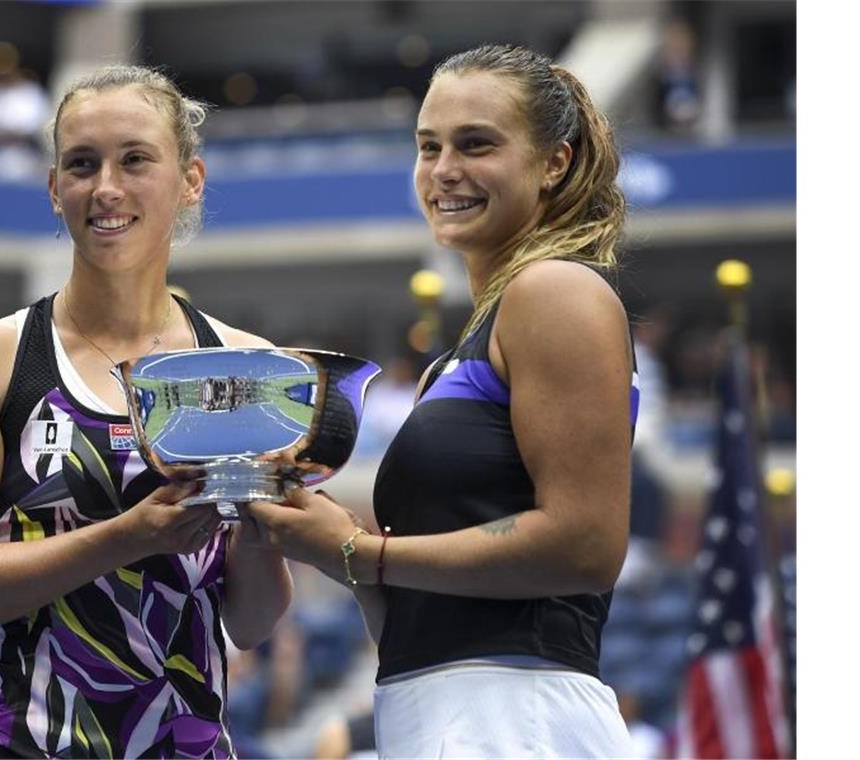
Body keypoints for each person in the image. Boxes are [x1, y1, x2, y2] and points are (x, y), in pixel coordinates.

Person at [246, 44, 639, 758]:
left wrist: (363, 551)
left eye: (476, 144)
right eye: (429, 147)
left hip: (520, 717)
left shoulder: (556, 291)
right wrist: (326, 540)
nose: (444, 170)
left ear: (554, 161)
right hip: (433, 711)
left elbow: (585, 545)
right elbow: (420, 611)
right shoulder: (457, 356)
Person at [0, 65, 293, 759]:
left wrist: (265, 523)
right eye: (82, 165)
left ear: (191, 181)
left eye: (136, 159)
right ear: (56, 190)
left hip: (185, 744)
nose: (106, 188)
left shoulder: (243, 364)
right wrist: (127, 537)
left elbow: (252, 621)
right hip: (12, 740)